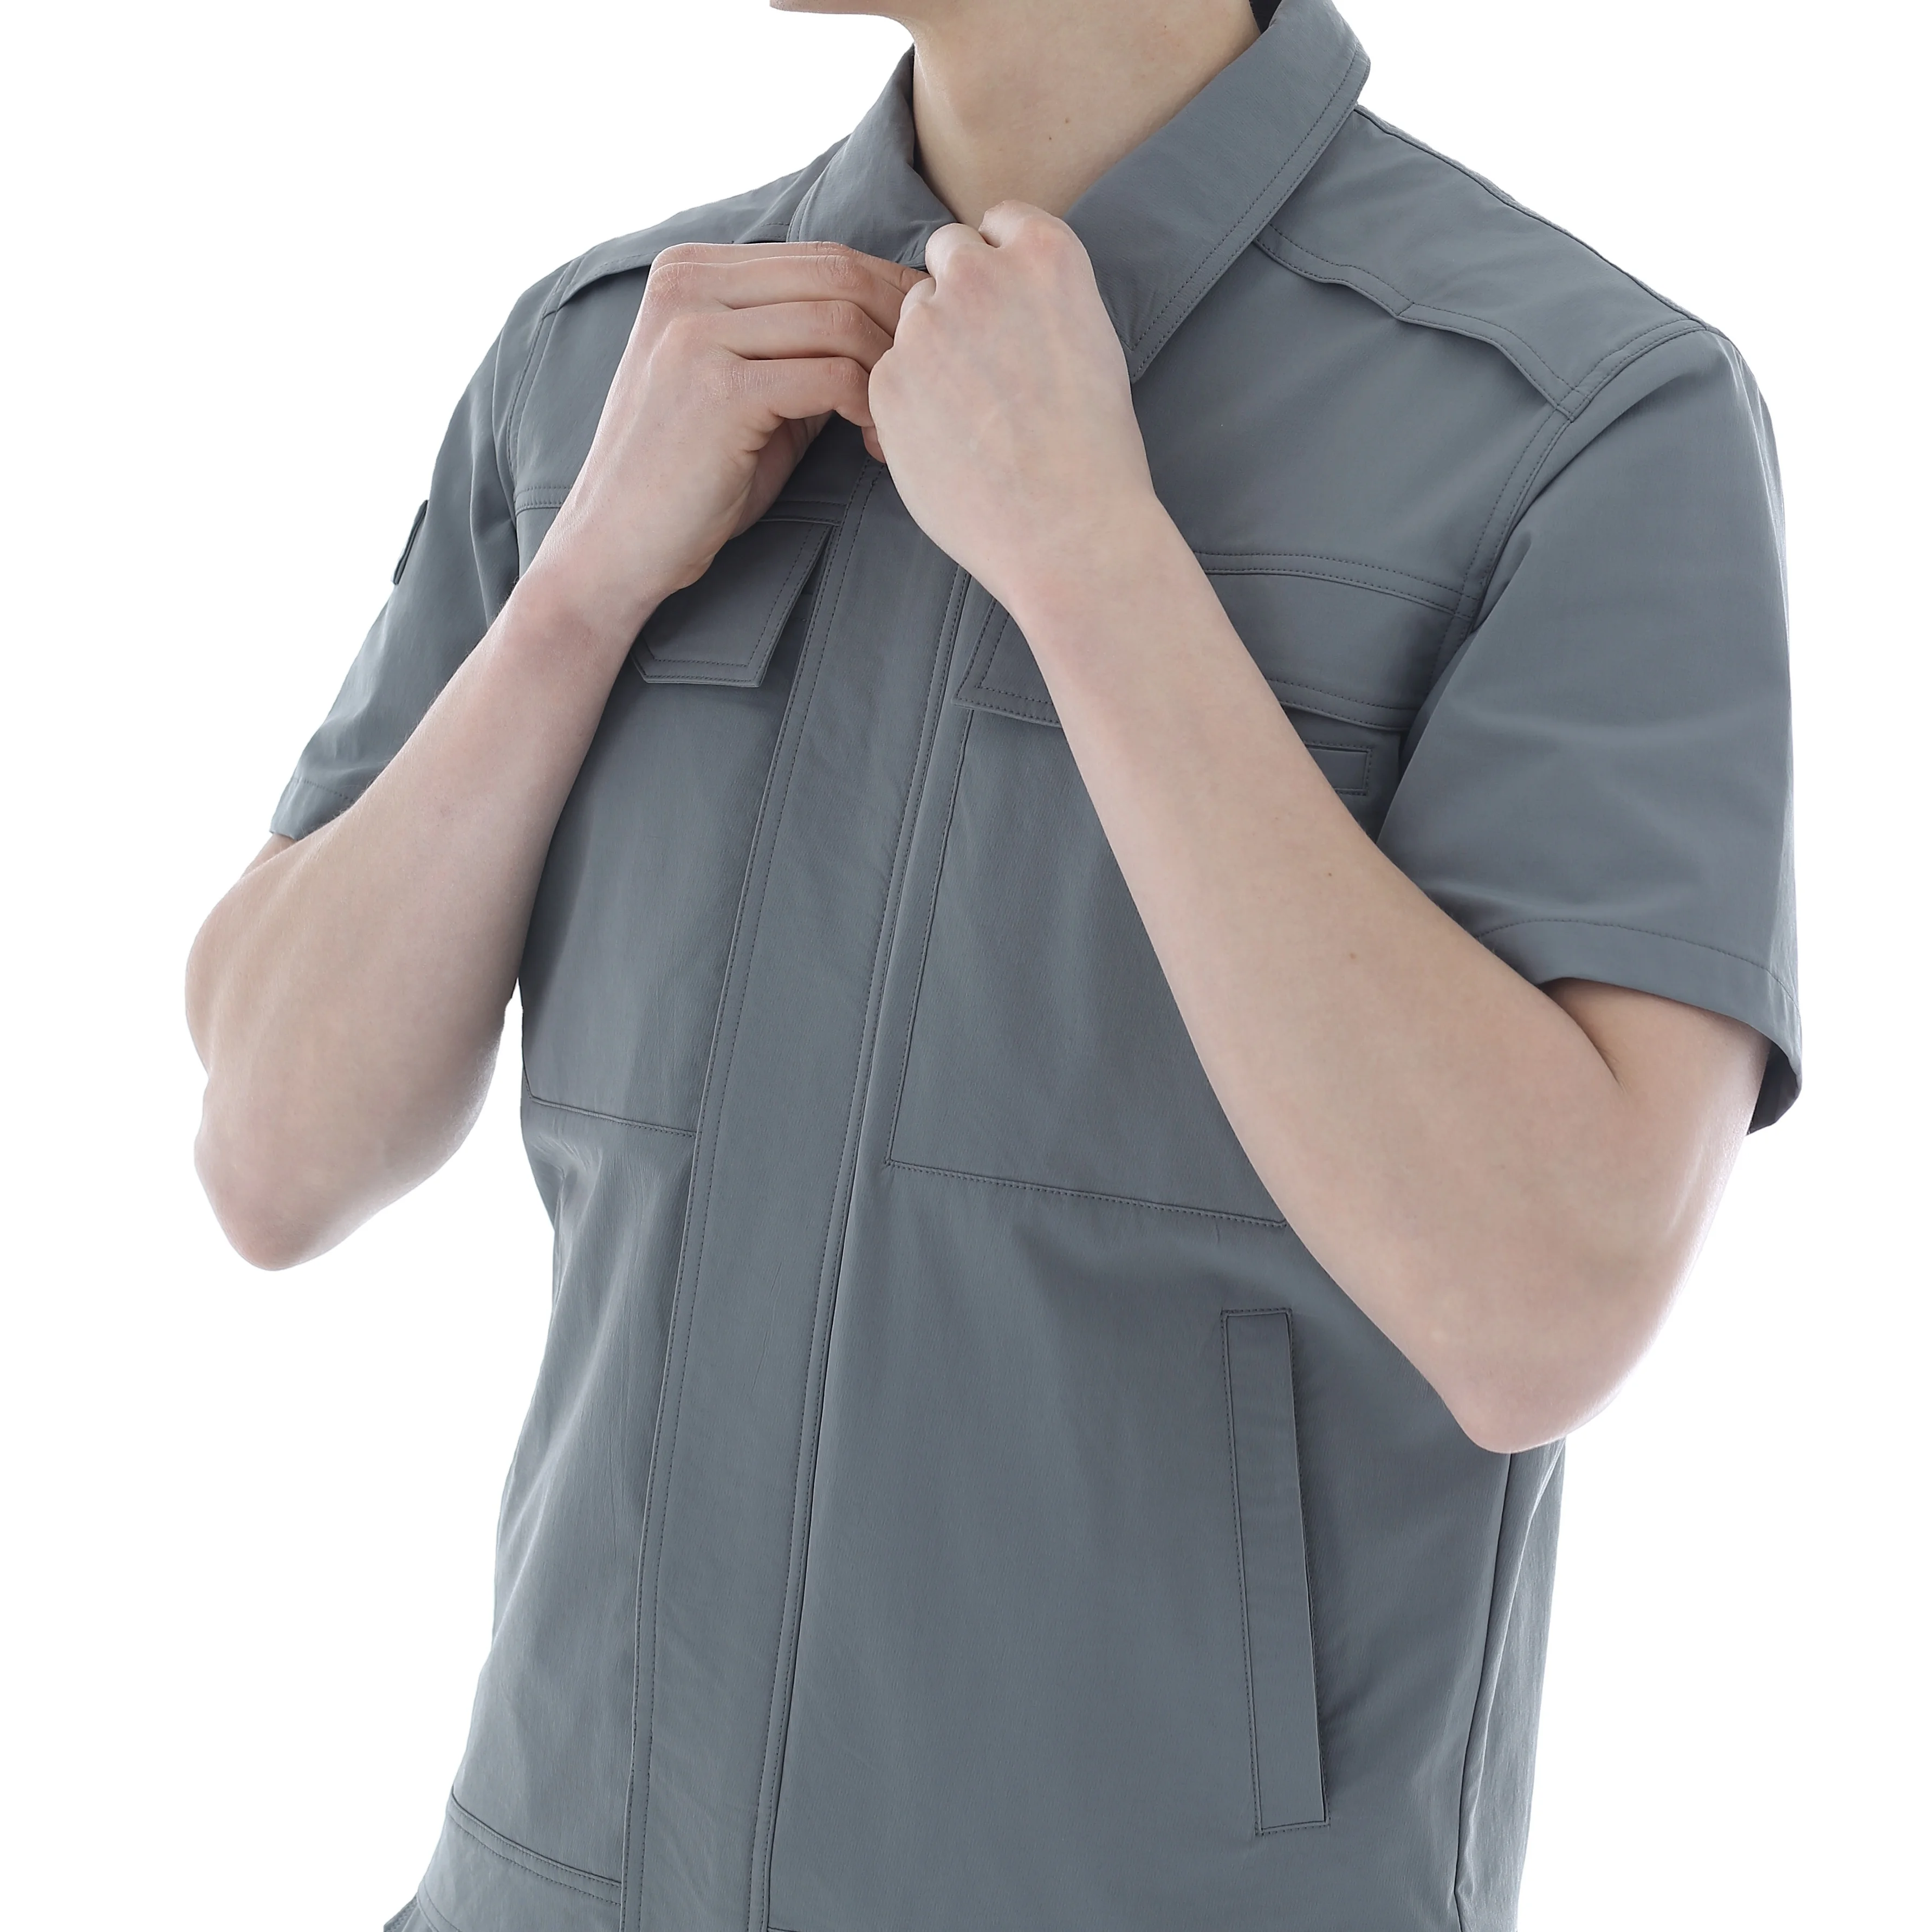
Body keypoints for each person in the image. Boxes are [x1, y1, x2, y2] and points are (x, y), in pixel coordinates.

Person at [185, 0, 1798, 1925]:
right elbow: (270, 1158)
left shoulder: (1575, 418)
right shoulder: (608, 365)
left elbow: (1542, 1301)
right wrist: (576, 593)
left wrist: (1094, 560)